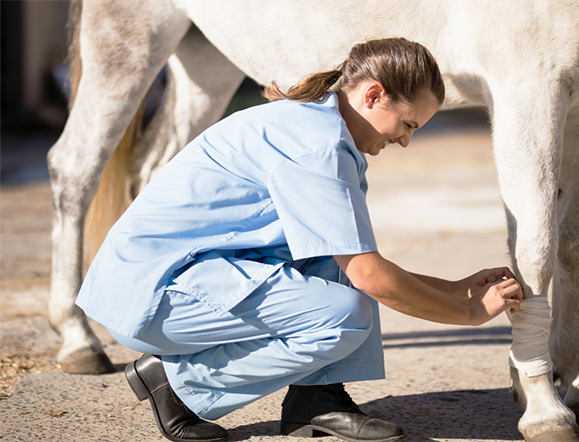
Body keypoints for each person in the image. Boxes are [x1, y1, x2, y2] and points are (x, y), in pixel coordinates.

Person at [76, 37, 523, 442]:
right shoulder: (318, 146)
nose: (405, 141)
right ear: (373, 95)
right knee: (343, 316)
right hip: (153, 295)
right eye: (408, 124)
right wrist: (465, 311)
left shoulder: (320, 126)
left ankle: (316, 400)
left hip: (174, 278)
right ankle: (176, 384)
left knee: (334, 265)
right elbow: (369, 277)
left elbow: (354, 260)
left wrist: (456, 287)